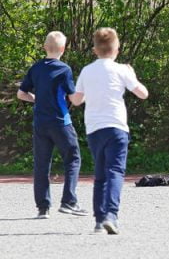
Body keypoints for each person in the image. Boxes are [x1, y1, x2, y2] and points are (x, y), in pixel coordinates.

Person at [71, 28, 149, 235]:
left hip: (94, 129)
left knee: (100, 173)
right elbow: (143, 94)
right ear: (117, 49)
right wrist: (132, 75)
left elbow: (76, 100)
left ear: (95, 49)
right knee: (115, 171)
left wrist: (89, 93)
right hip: (116, 126)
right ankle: (111, 215)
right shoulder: (122, 69)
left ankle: (98, 219)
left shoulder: (87, 71)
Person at [17, 31, 88, 219]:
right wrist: (84, 94)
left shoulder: (36, 68)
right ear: (63, 49)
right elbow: (74, 98)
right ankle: (68, 201)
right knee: (73, 158)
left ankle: (43, 208)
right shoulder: (64, 69)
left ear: (44, 47)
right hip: (60, 122)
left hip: (40, 123)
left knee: (41, 164)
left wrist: (37, 99)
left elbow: (21, 94)